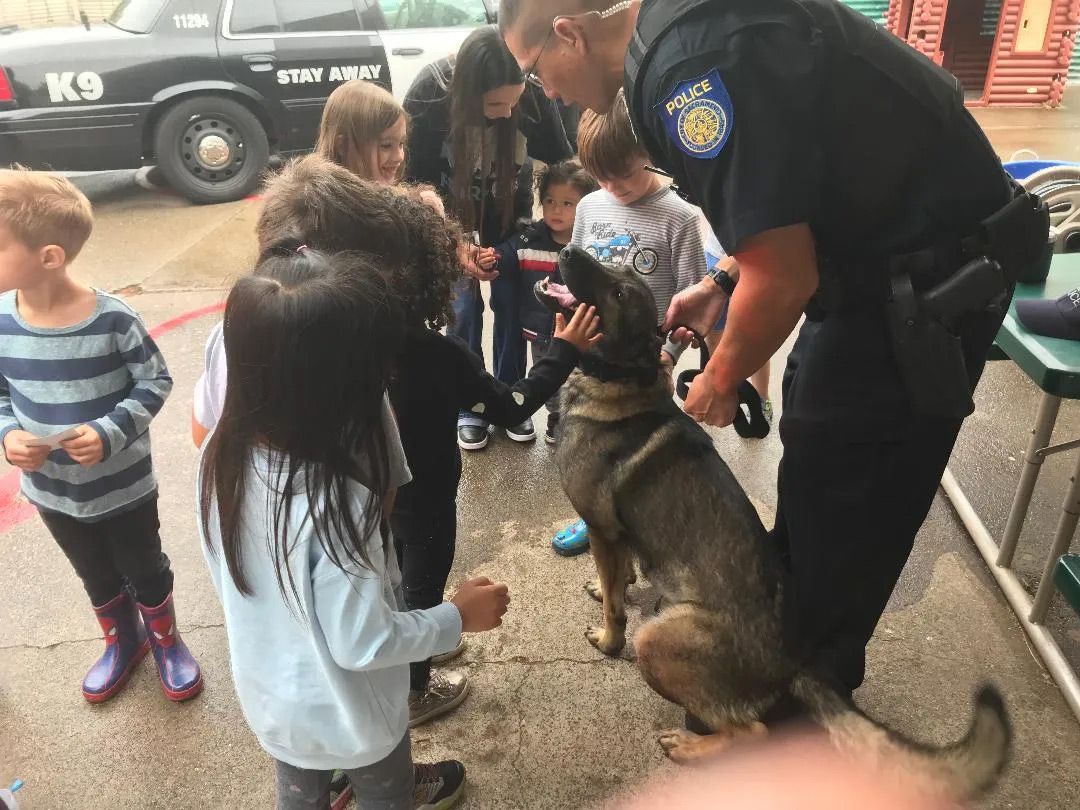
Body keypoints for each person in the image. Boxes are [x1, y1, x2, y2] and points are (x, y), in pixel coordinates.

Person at [499, 0, 1048, 711]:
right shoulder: (668, 42)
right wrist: (724, 280)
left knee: (845, 521)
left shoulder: (688, 69)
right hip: (868, 276)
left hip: (919, 291)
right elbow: (794, 193)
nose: (549, 93)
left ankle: (802, 721)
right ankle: (763, 677)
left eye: (536, 69)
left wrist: (722, 375)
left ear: (567, 33)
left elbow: (785, 275)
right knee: (815, 472)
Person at [198, 246, 512, 810]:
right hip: (356, 719)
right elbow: (364, 643)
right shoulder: (337, 501)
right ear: (345, 386)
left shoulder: (220, 459)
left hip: (274, 700)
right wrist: (456, 617)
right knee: (387, 793)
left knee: (298, 792)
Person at [0, 169, 201, 704]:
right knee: (92, 571)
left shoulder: (112, 319)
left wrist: (111, 431)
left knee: (145, 566)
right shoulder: (0, 319)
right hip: (51, 491)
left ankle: (165, 639)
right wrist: (8, 435)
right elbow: (1, 392)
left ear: (49, 257)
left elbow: (156, 380)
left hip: (123, 486)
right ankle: (123, 639)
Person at [549, 92, 709, 556]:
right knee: (588, 449)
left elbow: (692, 301)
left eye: (626, 175)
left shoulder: (679, 217)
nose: (614, 187)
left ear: (651, 157)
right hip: (592, 352)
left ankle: (643, 527)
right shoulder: (592, 206)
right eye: (602, 177)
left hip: (646, 361)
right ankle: (594, 516)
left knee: (638, 455)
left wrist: (671, 354)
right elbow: (575, 272)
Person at [404, 24, 574, 450]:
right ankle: (471, 403)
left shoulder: (530, 92)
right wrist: (453, 243)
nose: (505, 112)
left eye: (512, 103)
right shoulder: (429, 94)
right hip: (446, 220)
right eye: (496, 104)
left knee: (511, 305)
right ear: (467, 94)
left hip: (508, 218)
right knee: (461, 309)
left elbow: (562, 160)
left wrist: (566, 218)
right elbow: (416, 182)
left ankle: (512, 395)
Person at [492, 159, 599, 444]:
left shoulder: (587, 246)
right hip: (539, 331)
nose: (556, 209)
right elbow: (506, 252)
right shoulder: (529, 237)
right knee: (547, 376)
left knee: (579, 378)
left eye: (567, 203)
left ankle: (575, 418)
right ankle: (555, 417)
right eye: (550, 201)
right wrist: (491, 256)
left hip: (579, 333)